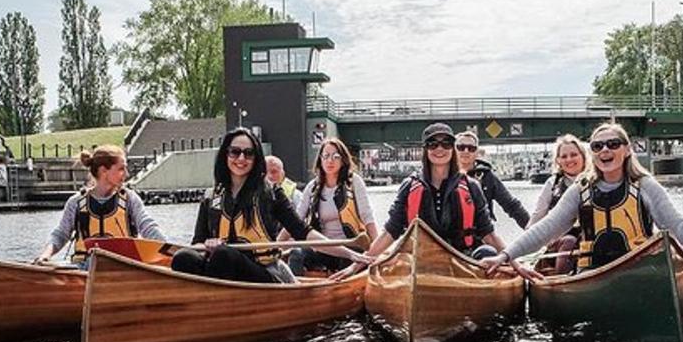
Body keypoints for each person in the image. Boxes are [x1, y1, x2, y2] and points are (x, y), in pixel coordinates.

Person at [481, 123, 683, 278]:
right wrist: (505, 256)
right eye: (597, 146)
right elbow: (544, 230)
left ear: (627, 150)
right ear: (593, 153)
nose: (605, 150)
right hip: (593, 275)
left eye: (613, 144)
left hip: (638, 273)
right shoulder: (580, 190)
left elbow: (681, 228)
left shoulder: (645, 185)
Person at [171, 128, 369, 283]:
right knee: (183, 258)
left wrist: (350, 253)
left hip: (262, 271)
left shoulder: (272, 193)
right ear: (225, 155)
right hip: (221, 267)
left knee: (224, 255)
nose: (241, 159)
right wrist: (207, 245)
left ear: (256, 158)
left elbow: (303, 232)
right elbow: (197, 243)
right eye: (235, 152)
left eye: (248, 153)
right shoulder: (210, 197)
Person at [359, 123, 506, 266]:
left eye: (446, 143)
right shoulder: (409, 186)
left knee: (488, 252)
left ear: (452, 149)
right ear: (425, 149)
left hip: (462, 257)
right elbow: (390, 231)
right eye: (432, 144)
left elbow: (489, 234)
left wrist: (511, 258)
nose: (439, 148)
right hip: (420, 259)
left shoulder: (471, 186)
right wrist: (359, 263)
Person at [34, 145, 166, 267]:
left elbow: (148, 227)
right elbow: (60, 234)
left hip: (122, 267)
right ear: (104, 171)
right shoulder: (76, 202)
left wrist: (168, 251)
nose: (126, 174)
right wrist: (45, 256)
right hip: (84, 268)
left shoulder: (130, 199)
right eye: (121, 169)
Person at [283, 138, 379, 275]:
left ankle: (340, 287)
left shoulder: (354, 182)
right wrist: (277, 246)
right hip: (324, 248)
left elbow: (367, 216)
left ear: (343, 160)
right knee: (296, 253)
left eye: (336, 156)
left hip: (350, 245)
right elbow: (295, 220)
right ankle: (296, 290)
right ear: (320, 160)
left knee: (348, 259)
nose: (330, 161)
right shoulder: (312, 187)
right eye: (326, 156)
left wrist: (377, 247)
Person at [527, 134, 589, 274]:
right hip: (561, 240)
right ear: (558, 161)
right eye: (564, 156)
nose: (569, 160)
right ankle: (563, 282)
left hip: (590, 238)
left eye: (573, 155)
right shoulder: (552, 184)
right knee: (569, 242)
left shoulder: (595, 180)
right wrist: (527, 243)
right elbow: (538, 215)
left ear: (583, 157)